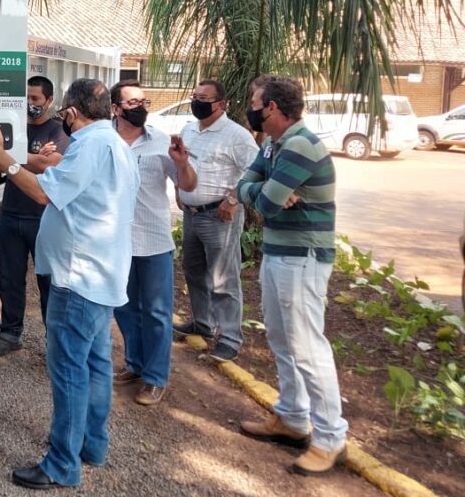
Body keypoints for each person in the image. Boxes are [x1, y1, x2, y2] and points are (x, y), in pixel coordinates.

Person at [0, 79, 139, 490]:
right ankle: (92, 445)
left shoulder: (88, 144)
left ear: (70, 111)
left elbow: (44, 195)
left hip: (78, 277)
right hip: (102, 275)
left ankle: (62, 464)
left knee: (68, 370)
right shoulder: (117, 144)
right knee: (96, 364)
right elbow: (71, 184)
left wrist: (1, 157)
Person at [234, 75, 349, 476]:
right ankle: (292, 417)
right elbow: (244, 185)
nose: (251, 107)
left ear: (273, 108)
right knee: (282, 338)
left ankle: (331, 437)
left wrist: (263, 191)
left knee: (307, 346)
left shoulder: (299, 145)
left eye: (254, 101)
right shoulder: (273, 144)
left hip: (303, 258)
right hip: (281, 253)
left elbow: (263, 203)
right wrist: (264, 189)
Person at [110, 80, 197, 406]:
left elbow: (188, 185)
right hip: (115, 241)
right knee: (123, 307)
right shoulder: (103, 141)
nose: (141, 107)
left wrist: (182, 163)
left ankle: (155, 377)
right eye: (132, 103)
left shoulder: (163, 143)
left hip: (154, 240)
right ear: (116, 109)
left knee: (158, 312)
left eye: (144, 101)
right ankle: (135, 364)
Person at [174, 79, 259, 362]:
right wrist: (179, 189)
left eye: (204, 97)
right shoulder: (189, 130)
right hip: (192, 214)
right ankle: (203, 323)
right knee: (193, 270)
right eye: (194, 95)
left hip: (219, 216)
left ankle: (230, 338)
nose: (197, 101)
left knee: (224, 279)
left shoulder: (237, 135)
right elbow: (183, 164)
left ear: (220, 104)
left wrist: (233, 200)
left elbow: (256, 171)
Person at [0, 75, 70, 358]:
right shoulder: (14, 128)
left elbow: (50, 165)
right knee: (9, 279)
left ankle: (54, 343)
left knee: (48, 282)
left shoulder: (59, 131)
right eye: (26, 99)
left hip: (43, 217)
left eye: (35, 99)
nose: (30, 104)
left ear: (49, 100)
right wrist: (28, 158)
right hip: (10, 213)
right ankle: (10, 335)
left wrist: (8, 155)